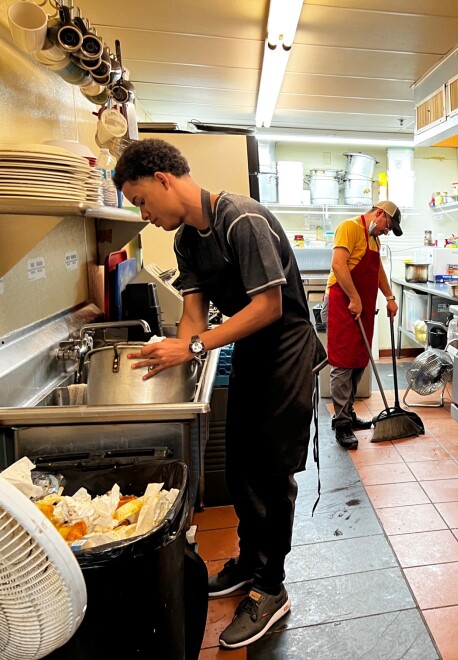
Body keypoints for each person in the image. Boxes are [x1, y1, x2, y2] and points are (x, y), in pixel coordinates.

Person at [113, 139, 324, 650]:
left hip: (287, 352)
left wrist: (194, 344)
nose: (143, 213)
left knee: (271, 475)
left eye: (141, 200)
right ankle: (249, 564)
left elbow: (269, 307)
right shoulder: (186, 241)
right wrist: (174, 358)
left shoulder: (240, 219)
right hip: (250, 350)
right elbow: (192, 315)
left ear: (164, 179)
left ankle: (270, 589)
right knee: (240, 469)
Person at [320, 201, 401, 449]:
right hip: (342, 303)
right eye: (388, 225)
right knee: (344, 363)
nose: (387, 231)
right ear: (379, 214)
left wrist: (389, 297)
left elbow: (377, 271)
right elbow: (338, 264)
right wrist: (354, 298)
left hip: (361, 307)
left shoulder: (374, 239)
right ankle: (342, 424)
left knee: (358, 361)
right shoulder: (350, 227)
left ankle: (348, 413)